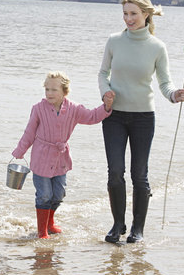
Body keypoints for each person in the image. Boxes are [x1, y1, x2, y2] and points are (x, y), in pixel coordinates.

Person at [98, 0, 184, 243]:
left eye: (133, 14)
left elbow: (165, 82)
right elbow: (102, 73)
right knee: (115, 171)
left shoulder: (157, 47)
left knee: (140, 174)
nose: (128, 19)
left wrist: (174, 95)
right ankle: (118, 225)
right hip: (114, 116)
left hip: (143, 118)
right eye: (125, 13)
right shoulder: (114, 41)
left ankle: (138, 229)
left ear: (146, 14)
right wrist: (106, 92)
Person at [12, 71, 114, 239]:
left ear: (65, 92)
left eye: (54, 90)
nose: (49, 93)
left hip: (61, 159)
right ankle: (42, 230)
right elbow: (29, 133)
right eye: (47, 89)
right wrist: (20, 150)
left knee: (59, 194)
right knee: (44, 194)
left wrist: (106, 107)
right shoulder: (38, 108)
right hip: (41, 157)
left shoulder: (73, 108)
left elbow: (92, 116)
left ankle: (50, 223)